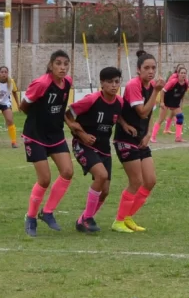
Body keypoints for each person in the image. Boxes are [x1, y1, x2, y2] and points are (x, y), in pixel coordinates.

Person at [65, 67, 134, 233]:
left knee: (105, 191)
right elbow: (67, 115)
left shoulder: (119, 102)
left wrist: (125, 125)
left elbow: (118, 115)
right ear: (101, 83)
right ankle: (88, 218)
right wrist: (81, 134)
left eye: (117, 82)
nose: (113, 85)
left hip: (104, 149)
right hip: (84, 145)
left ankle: (83, 220)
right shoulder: (91, 100)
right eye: (109, 82)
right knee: (101, 175)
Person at [20, 50, 74, 237]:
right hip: (35, 135)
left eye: (66, 64)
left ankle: (48, 212)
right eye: (58, 63)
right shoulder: (41, 83)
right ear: (51, 65)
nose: (62, 67)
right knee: (44, 179)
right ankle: (31, 217)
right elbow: (23, 105)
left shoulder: (67, 82)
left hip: (55, 134)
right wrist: (38, 118)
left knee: (67, 172)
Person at [111, 50, 165, 233]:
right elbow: (142, 111)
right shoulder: (134, 85)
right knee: (136, 181)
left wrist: (149, 133)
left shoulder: (151, 87)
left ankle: (128, 217)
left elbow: (150, 114)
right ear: (138, 70)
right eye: (147, 68)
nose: (151, 71)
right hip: (125, 139)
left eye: (153, 68)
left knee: (150, 181)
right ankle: (118, 221)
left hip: (141, 139)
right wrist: (157, 91)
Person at [150, 65, 189, 143]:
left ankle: (178, 138)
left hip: (175, 103)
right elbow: (163, 91)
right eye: (181, 73)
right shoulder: (173, 81)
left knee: (180, 117)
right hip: (166, 102)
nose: (183, 74)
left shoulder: (185, 82)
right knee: (160, 119)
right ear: (178, 74)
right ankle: (153, 137)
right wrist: (162, 102)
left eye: (185, 73)